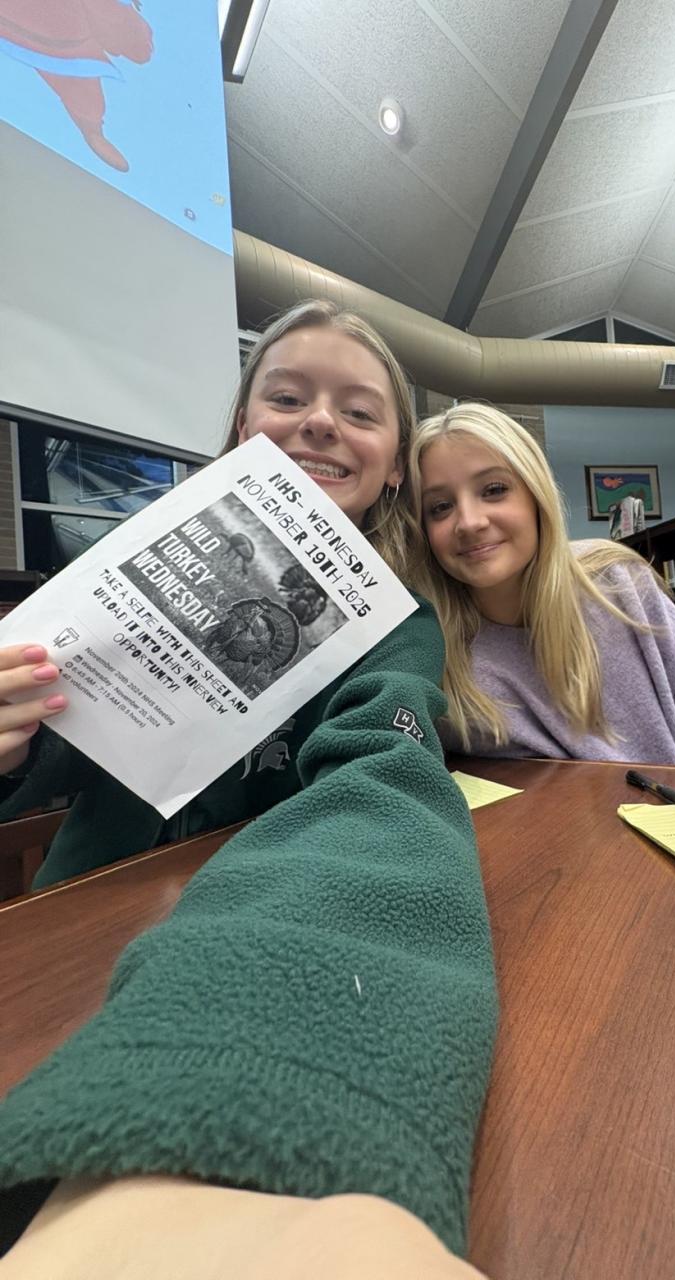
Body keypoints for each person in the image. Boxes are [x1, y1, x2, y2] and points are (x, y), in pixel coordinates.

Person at [0, 302, 497, 1273]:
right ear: (241, 426)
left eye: (360, 412)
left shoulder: (398, 627)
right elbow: (40, 764)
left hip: (258, 937)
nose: (321, 423)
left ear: (396, 466)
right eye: (287, 397)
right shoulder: (126, 564)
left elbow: (384, 779)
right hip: (74, 933)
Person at [405, 402, 675, 771]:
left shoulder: (616, 583)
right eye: (440, 507)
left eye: (494, 489)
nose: (469, 522)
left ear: (536, 496)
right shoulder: (429, 651)